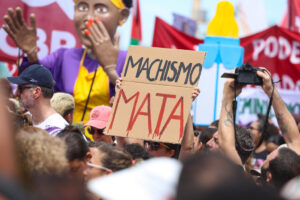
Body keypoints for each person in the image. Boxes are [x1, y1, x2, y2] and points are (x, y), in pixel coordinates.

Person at [3, 0, 132, 128]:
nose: (88, 18)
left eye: (101, 9)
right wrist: (31, 55)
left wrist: (111, 72)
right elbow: (34, 83)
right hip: (65, 140)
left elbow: (136, 105)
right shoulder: (64, 57)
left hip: (106, 143)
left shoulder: (130, 61)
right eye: (82, 7)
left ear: (122, 16)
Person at [7, 64, 68, 136]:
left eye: (20, 89)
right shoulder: (24, 119)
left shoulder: (59, 132)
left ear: (36, 92)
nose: (16, 94)